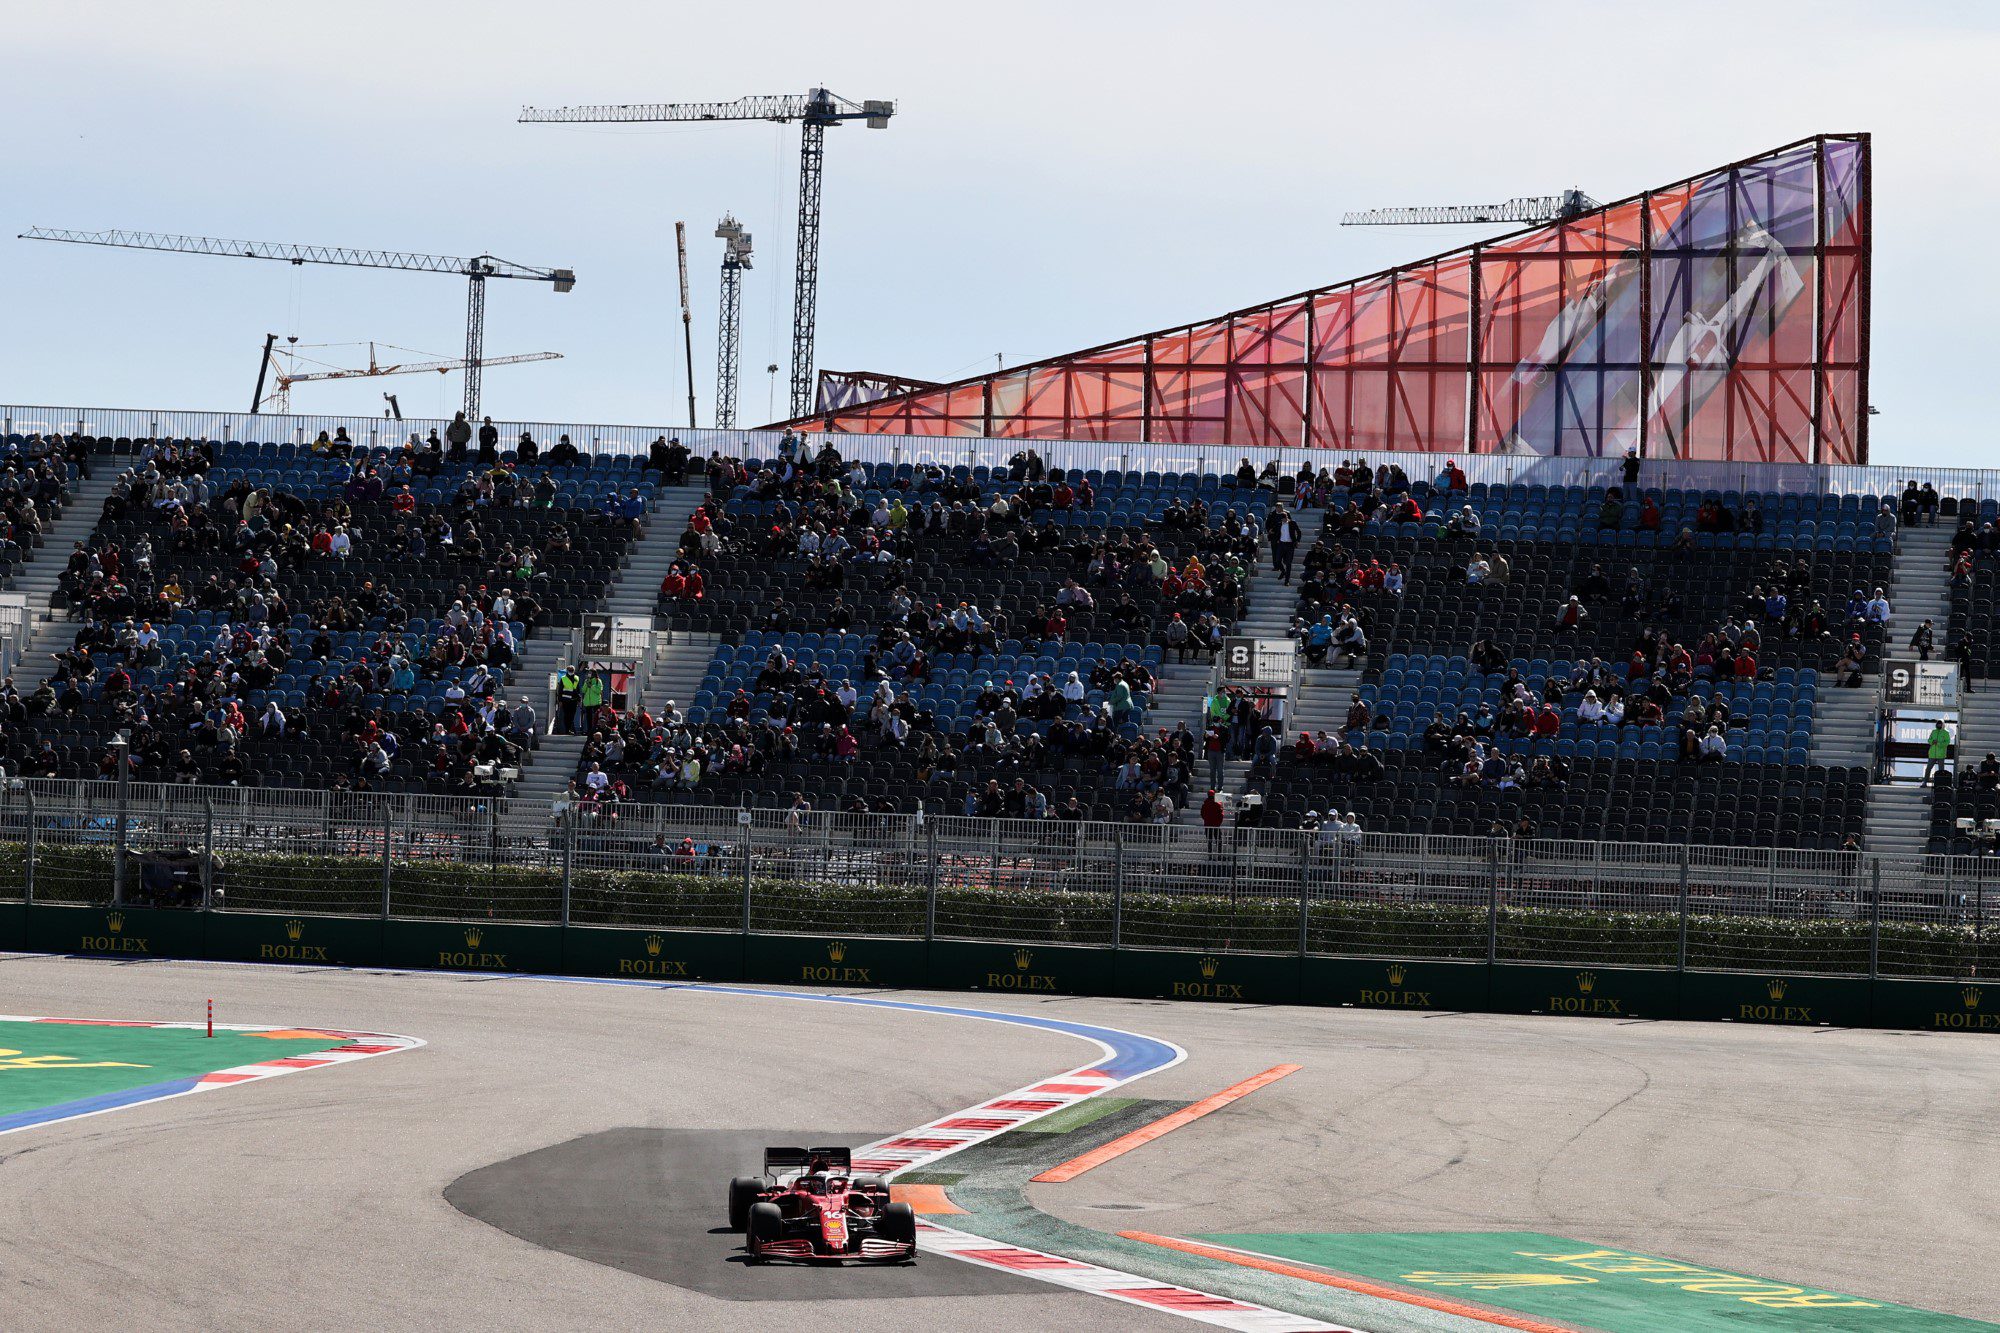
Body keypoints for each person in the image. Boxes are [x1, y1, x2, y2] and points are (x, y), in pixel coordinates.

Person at [1924, 718, 1954, 786]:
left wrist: (1938, 743)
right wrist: (1932, 742)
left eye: (1940, 723)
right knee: (1928, 768)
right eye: (1938, 723)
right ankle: (1925, 782)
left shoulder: (1946, 732)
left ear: (1943, 724)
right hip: (1932, 754)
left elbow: (1947, 743)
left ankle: (1940, 783)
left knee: (1941, 770)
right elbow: (1929, 740)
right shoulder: (1933, 731)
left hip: (1941, 754)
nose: (1939, 725)